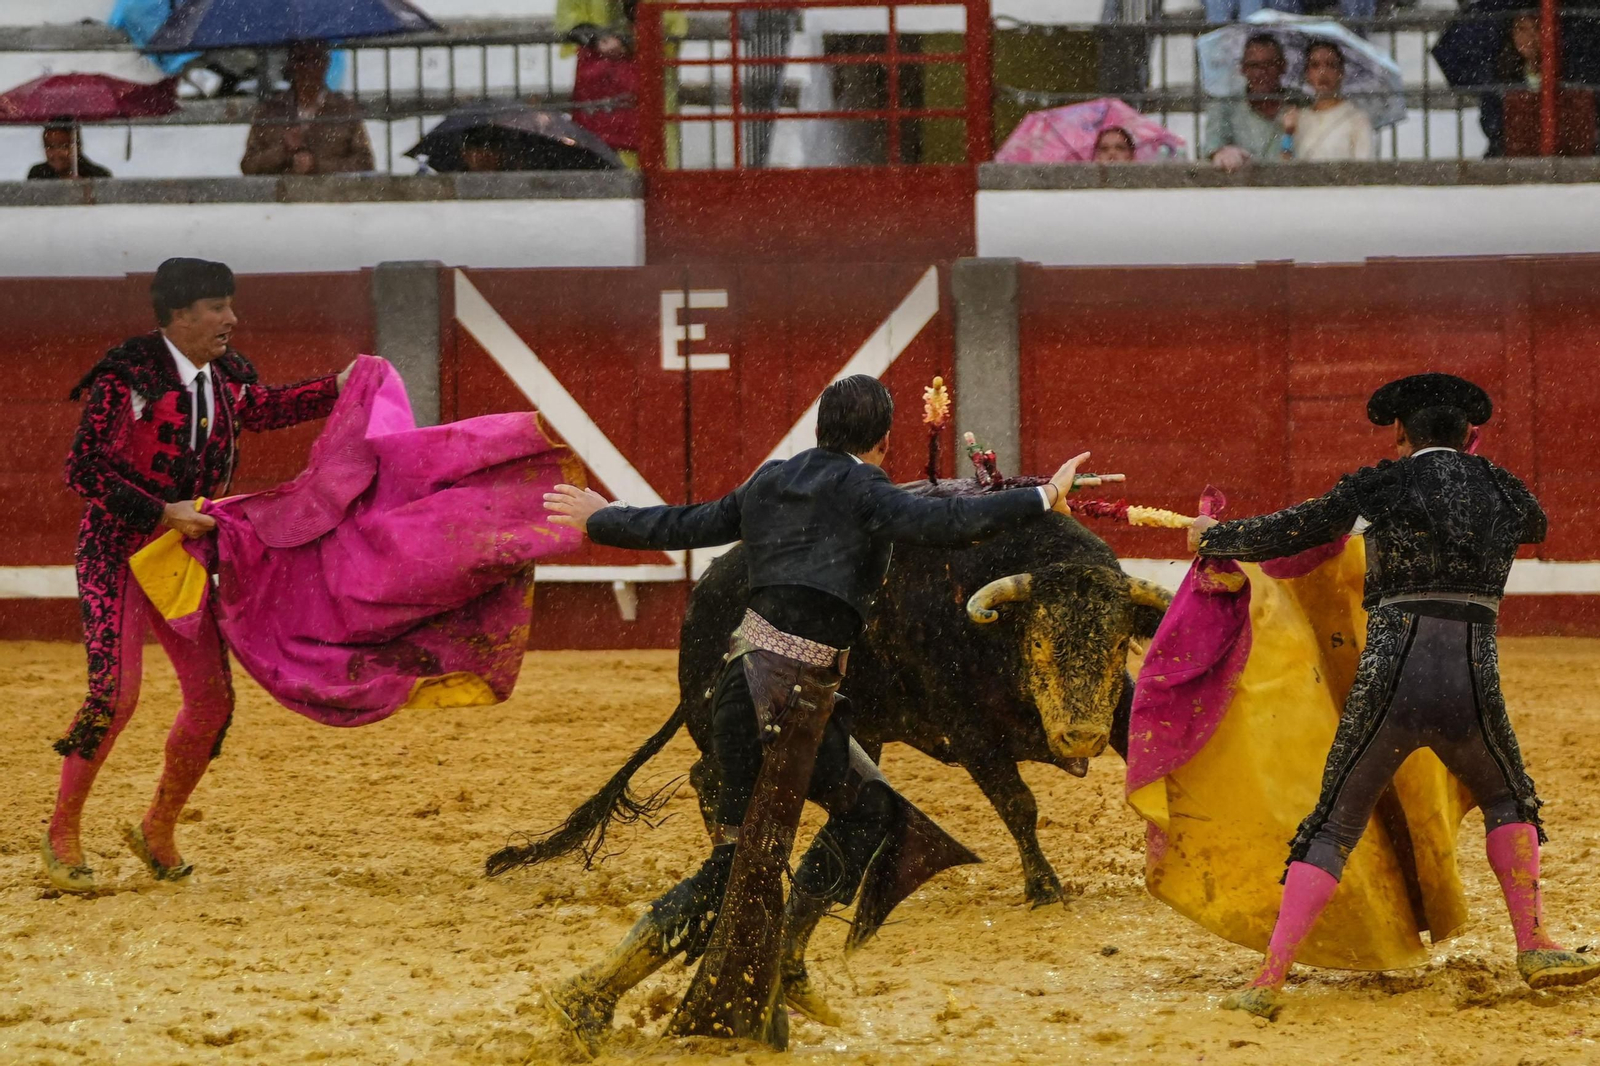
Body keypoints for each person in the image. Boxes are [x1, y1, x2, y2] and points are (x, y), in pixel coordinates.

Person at [539, 375, 1095, 1052]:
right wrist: (1046, 495)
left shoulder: (772, 481)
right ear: (884, 440)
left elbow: (685, 524)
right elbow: (949, 523)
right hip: (785, 695)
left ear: (821, 428)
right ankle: (597, 988)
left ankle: (779, 958)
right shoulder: (865, 490)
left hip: (751, 686)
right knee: (752, 865)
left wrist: (603, 518)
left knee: (848, 821)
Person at [1186, 373, 1600, 1020]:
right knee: (1506, 797)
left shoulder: (1385, 484)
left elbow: (1303, 527)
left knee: (1335, 822)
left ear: (1400, 432)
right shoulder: (1503, 488)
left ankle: (1269, 977)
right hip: (1471, 677)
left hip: (1393, 674)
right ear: (1470, 434)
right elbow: (1536, 525)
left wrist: (1216, 536)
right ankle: (1534, 942)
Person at [42, 258, 353, 894]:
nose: (231, 319)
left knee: (212, 700)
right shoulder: (129, 375)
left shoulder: (225, 376)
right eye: (217, 307)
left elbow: (263, 408)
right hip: (117, 552)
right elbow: (84, 469)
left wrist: (340, 386)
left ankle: (157, 827)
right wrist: (161, 511)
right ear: (179, 315)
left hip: (181, 557)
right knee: (115, 696)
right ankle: (61, 833)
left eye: (229, 305)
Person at [240, 41, 375, 176]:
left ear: (326, 63)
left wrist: (318, 166)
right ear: (291, 65)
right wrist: (282, 150)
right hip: (283, 189)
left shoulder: (345, 110)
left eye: (315, 60)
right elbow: (248, 166)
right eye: (301, 60)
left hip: (330, 189)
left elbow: (366, 164)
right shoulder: (270, 111)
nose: (308, 68)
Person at [1483, 14, 1597, 157]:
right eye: (1521, 29)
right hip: (1514, 160)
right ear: (1511, 34)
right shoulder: (1501, 74)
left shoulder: (1574, 74)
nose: (1530, 37)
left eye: (1537, 28)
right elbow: (1492, 124)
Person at [1204, 35, 1303, 173]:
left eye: (1269, 64)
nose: (1261, 72)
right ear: (1243, 68)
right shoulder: (1225, 106)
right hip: (1240, 183)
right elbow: (1212, 146)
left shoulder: (1300, 102)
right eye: (1254, 65)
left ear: (1283, 66)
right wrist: (1224, 153)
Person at [1283, 42, 1375, 161]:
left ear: (1341, 72)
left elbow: (1364, 165)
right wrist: (1288, 133)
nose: (1323, 72)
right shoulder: (1298, 118)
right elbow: (1285, 164)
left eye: (1330, 65)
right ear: (1307, 74)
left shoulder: (1356, 118)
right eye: (1315, 65)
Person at [28, 119, 112, 180]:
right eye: (49, 146)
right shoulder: (37, 174)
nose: (56, 153)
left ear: (78, 146)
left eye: (63, 146)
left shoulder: (98, 175)